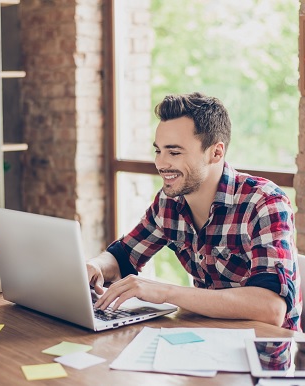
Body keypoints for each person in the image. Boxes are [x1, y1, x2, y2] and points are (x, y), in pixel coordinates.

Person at [87, 92, 302, 330]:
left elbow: (271, 308)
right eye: (158, 151)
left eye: (174, 152)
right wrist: (95, 266)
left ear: (216, 153)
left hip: (266, 353)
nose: (161, 163)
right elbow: (123, 256)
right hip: (207, 339)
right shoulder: (169, 202)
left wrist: (165, 291)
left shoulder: (264, 203)